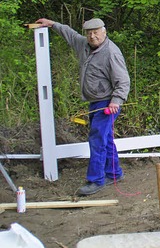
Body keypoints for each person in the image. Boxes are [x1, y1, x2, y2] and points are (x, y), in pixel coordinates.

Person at [36, 17, 130, 196]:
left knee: (97, 139)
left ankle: (95, 180)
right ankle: (114, 173)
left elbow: (123, 81)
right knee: (105, 138)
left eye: (96, 32)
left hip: (107, 103)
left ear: (104, 32)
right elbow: (69, 34)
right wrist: (52, 24)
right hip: (94, 101)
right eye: (89, 33)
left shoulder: (111, 52)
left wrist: (116, 101)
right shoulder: (83, 44)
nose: (93, 36)